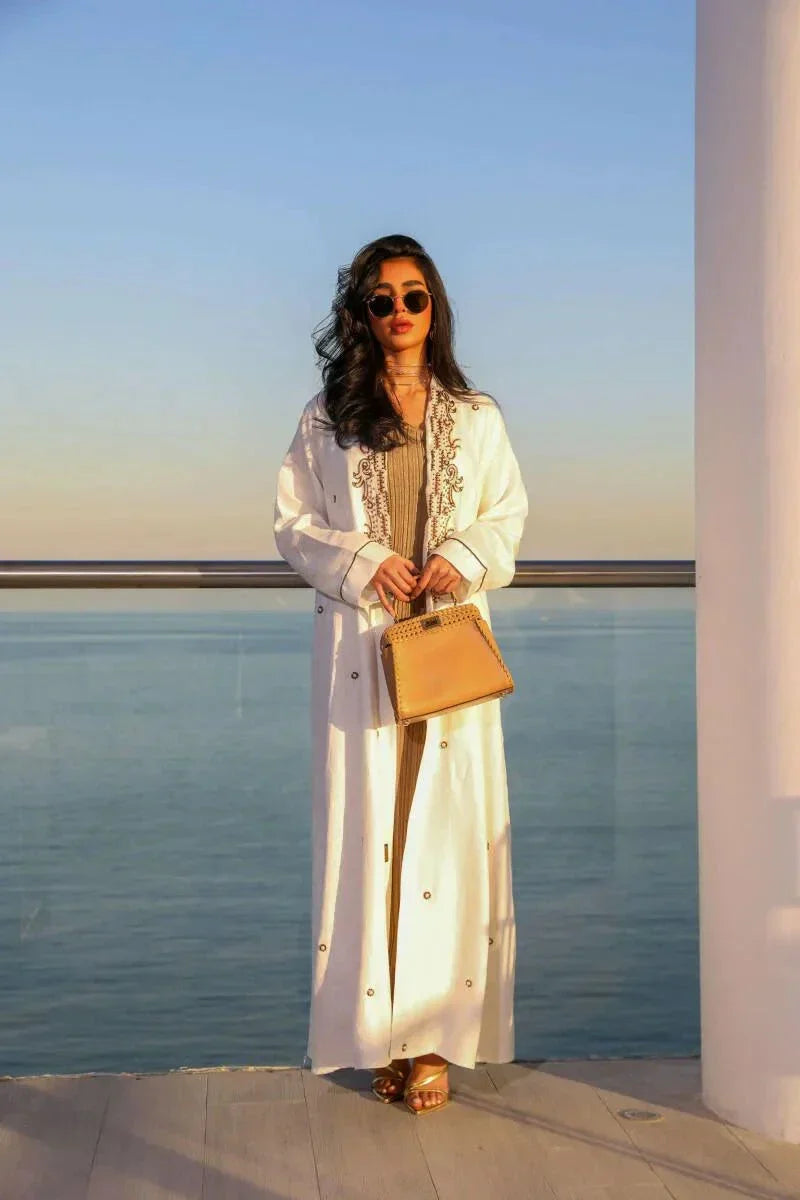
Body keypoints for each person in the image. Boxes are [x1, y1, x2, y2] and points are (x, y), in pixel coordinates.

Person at [273, 233, 528, 1114]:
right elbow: (293, 525)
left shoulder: (477, 415)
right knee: (370, 834)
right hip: (362, 652)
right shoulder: (325, 417)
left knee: (445, 838)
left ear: (435, 306)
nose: (398, 314)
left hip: (446, 650)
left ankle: (433, 1045)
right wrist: (363, 560)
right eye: (380, 300)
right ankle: (378, 1035)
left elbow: (508, 515)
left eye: (412, 296)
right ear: (361, 314)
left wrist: (461, 553)